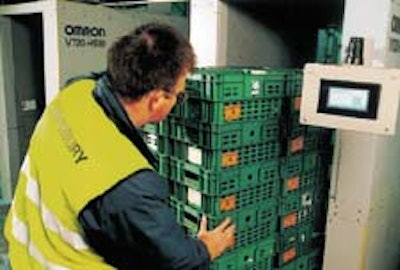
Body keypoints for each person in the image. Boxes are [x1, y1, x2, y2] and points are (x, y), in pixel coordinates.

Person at [4, 22, 235, 269]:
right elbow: (175, 262)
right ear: (157, 100)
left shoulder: (74, 93)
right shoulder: (127, 185)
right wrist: (206, 248)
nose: (178, 101)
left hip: (22, 255)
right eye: (178, 95)